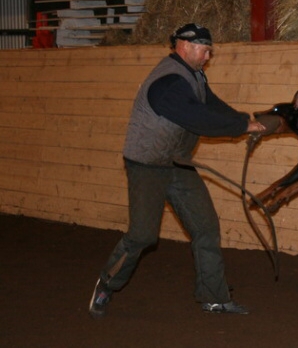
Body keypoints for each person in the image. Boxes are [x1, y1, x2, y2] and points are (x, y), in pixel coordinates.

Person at [88, 23, 266, 318]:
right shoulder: (167, 82)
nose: (208, 55)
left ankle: (214, 297)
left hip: (177, 162)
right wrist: (241, 126)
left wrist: (245, 121)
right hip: (147, 165)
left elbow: (210, 103)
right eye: (205, 49)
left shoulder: (194, 75)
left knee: (206, 228)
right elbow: (198, 119)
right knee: (143, 236)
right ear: (184, 46)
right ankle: (107, 283)